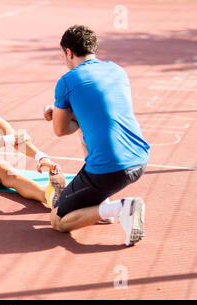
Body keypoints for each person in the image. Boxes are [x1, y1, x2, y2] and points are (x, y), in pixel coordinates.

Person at [40, 25, 150, 246]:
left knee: (57, 220)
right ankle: (104, 203)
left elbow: (60, 130)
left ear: (69, 52)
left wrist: (58, 114)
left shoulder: (67, 81)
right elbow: (101, 113)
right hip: (140, 160)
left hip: (111, 170)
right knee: (90, 128)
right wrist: (73, 114)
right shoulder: (117, 70)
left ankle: (120, 208)